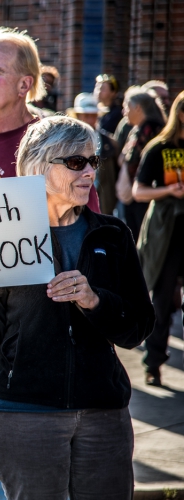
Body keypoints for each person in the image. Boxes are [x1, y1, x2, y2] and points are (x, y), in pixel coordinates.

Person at [0, 115, 155, 500]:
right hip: (25, 414)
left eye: (93, 161)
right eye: (75, 162)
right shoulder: (5, 238)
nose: (89, 171)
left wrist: (94, 300)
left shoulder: (112, 233)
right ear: (39, 167)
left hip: (104, 413)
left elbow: (138, 327)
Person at [0, 26, 99, 500]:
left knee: (41, 480)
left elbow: (89, 233)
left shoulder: (57, 142)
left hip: (43, 339)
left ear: (24, 84)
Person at [133, 89, 184, 387]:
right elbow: (139, 192)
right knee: (161, 301)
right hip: (167, 234)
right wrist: (169, 191)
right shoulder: (159, 148)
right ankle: (153, 363)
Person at [117, 87, 166, 241]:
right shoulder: (141, 128)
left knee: (139, 238)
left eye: (126, 107)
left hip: (144, 194)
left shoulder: (148, 129)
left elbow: (133, 160)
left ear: (137, 108)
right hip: (142, 194)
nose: (124, 112)